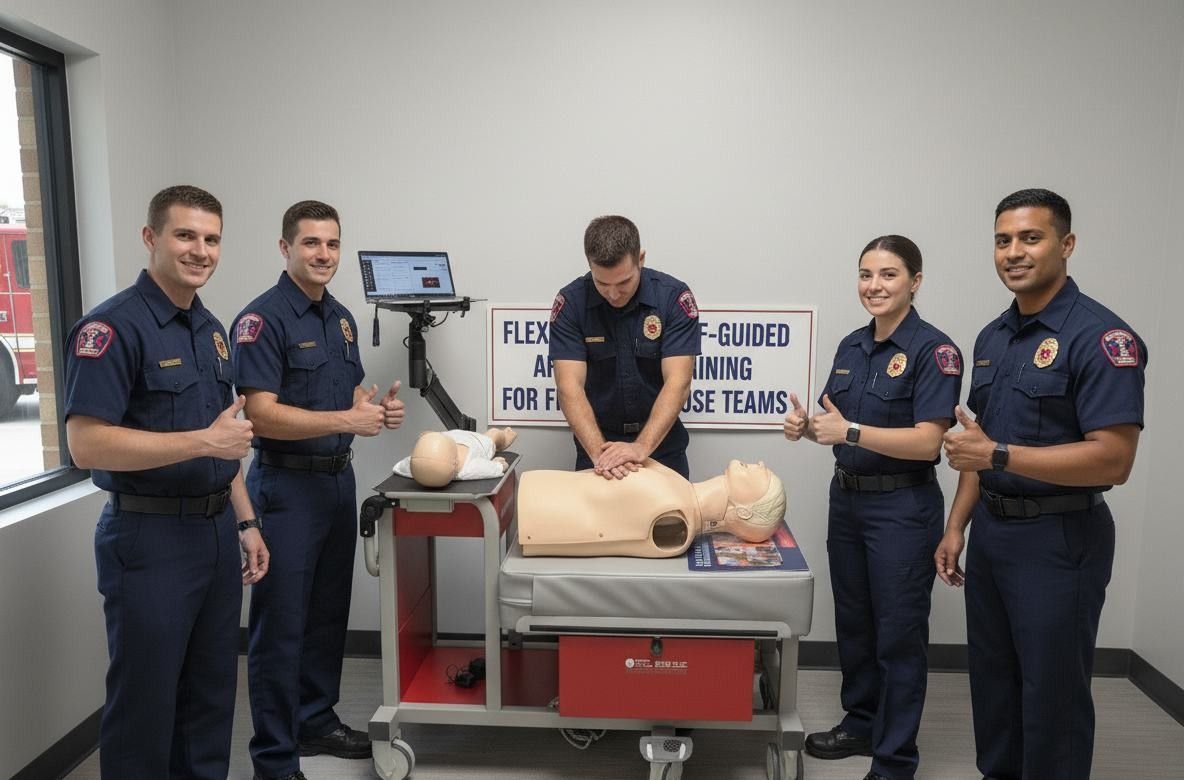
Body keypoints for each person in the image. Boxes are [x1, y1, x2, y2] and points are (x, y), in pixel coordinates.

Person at [936, 189, 1146, 780]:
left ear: (1067, 245)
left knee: (1051, 699)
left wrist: (999, 453)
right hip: (996, 535)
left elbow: (1113, 461)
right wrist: (957, 527)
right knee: (995, 692)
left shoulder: (1103, 338)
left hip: (1060, 541)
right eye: (1003, 240)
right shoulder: (992, 338)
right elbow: (980, 445)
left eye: (1031, 238)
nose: (1013, 252)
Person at [64, 185, 269, 779]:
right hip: (147, 539)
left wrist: (247, 520)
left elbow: (225, 437)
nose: (200, 250)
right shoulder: (111, 328)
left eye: (211, 238)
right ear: (151, 238)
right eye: (185, 235)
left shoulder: (210, 329)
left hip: (212, 533)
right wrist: (205, 441)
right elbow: (86, 444)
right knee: (145, 707)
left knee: (209, 702)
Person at [232, 200, 406, 780]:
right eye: (311, 244)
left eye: (332, 244)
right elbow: (259, 415)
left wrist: (374, 412)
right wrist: (344, 421)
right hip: (284, 487)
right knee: (280, 628)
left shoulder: (341, 317)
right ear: (286, 248)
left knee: (328, 613)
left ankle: (315, 719)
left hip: (336, 481)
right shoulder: (262, 320)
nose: (323, 255)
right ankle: (275, 761)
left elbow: (346, 402)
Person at [783, 235, 961, 780]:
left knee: (899, 633)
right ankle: (860, 722)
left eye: (887, 275)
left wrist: (851, 430)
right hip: (850, 503)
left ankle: (895, 759)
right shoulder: (850, 347)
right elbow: (837, 429)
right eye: (865, 274)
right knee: (855, 624)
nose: (874, 286)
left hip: (902, 509)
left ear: (915, 282)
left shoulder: (936, 351)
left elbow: (929, 443)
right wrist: (807, 429)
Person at [549, 215, 701, 479]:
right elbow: (568, 386)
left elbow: (679, 381)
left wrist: (641, 447)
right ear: (589, 264)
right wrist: (602, 456)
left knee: (669, 522)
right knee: (597, 522)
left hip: (660, 448)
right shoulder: (571, 303)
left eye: (624, 282)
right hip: (597, 448)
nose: (613, 294)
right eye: (602, 284)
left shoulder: (673, 298)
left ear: (640, 259)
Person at [517, 459, 785, 557]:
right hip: (542, 495)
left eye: (764, 477)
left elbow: (600, 525)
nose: (761, 464)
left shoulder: (677, 514)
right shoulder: (680, 494)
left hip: (538, 509)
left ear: (745, 512)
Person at [393, 426, 517, 487]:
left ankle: (428, 437)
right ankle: (503, 438)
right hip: (478, 441)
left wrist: (426, 439)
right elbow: (499, 467)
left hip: (444, 436)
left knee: (425, 435)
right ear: (455, 464)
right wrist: (498, 463)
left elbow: (398, 467)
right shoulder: (467, 469)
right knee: (494, 434)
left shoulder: (411, 467)